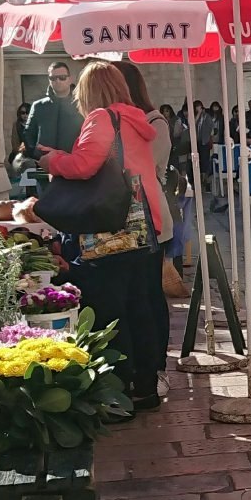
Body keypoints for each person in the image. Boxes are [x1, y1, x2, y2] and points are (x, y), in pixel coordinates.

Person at [41, 61, 170, 410]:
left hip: (111, 227)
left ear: (89, 91)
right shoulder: (137, 120)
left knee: (111, 309)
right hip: (143, 226)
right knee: (139, 304)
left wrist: (53, 161)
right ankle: (146, 385)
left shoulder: (102, 118)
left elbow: (84, 166)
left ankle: (119, 387)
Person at [25, 61, 83, 159]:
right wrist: (35, 154)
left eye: (62, 77)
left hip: (73, 163)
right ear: (49, 80)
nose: (58, 81)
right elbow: (28, 134)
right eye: (53, 78)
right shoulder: (38, 106)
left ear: (70, 79)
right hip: (45, 164)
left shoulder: (82, 104)